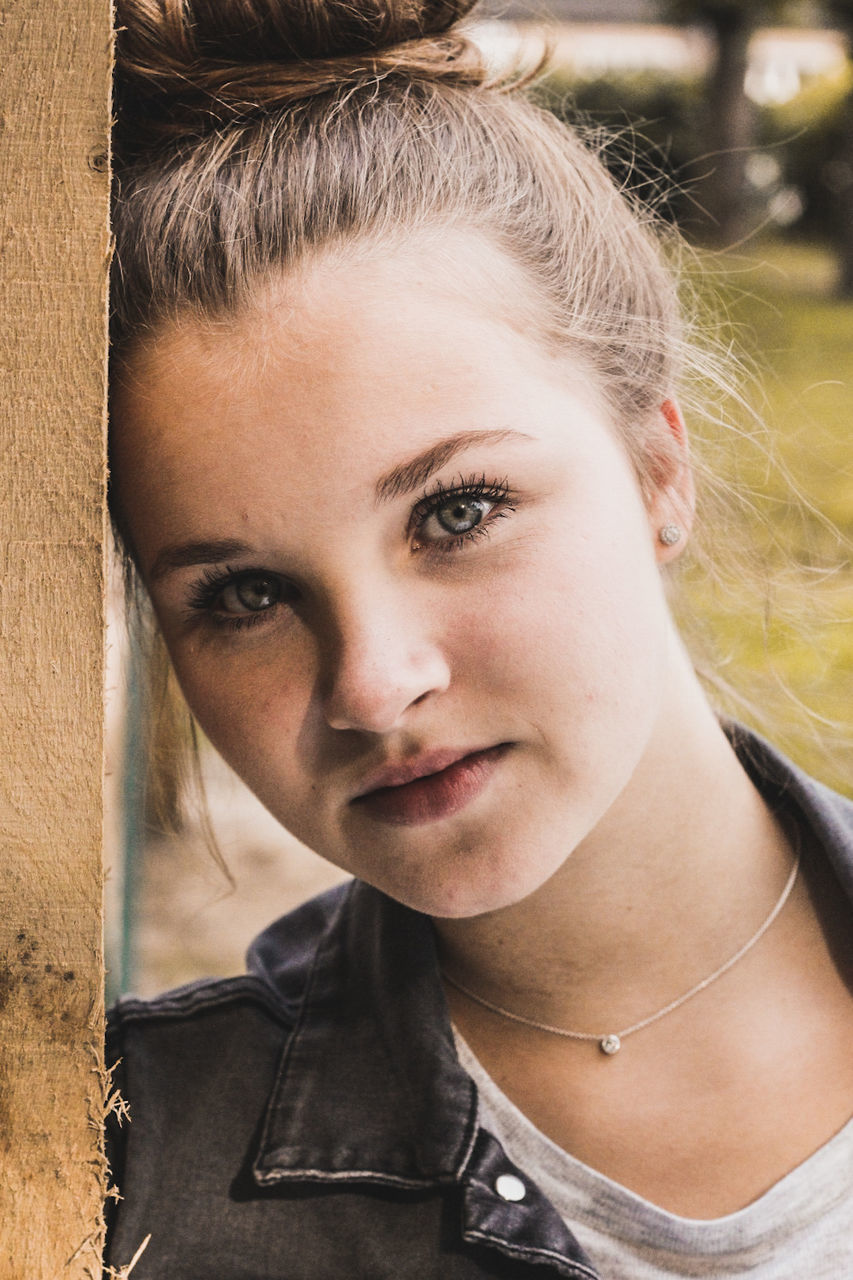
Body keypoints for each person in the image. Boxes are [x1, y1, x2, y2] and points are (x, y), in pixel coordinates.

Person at [104, 0, 853, 1275]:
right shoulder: (115, 1183)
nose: (375, 684)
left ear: (656, 465)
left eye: (457, 511)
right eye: (243, 595)